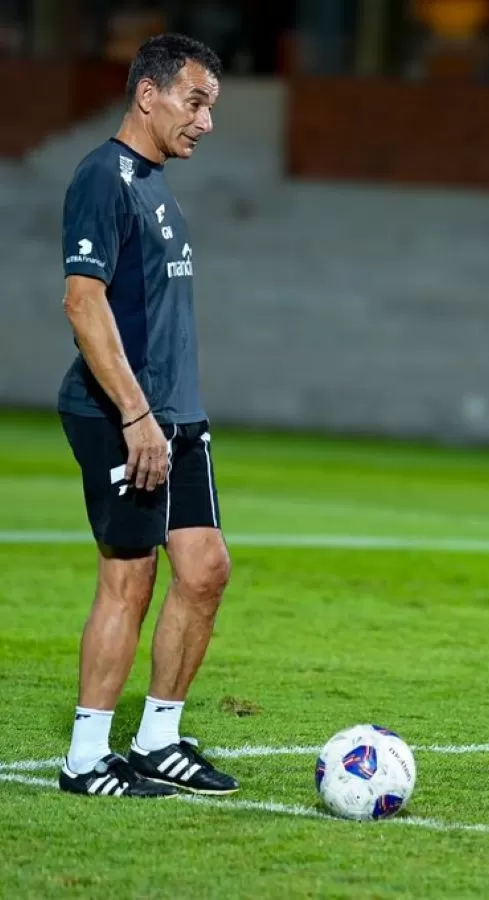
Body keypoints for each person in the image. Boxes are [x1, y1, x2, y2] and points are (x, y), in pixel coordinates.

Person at [57, 33, 238, 798]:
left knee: (203, 571)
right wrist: (136, 417)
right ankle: (86, 759)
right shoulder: (104, 176)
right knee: (128, 580)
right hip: (122, 417)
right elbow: (82, 299)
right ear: (148, 95)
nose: (204, 121)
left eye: (211, 107)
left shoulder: (154, 183)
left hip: (175, 417)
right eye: (194, 102)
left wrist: (170, 416)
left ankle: (159, 737)